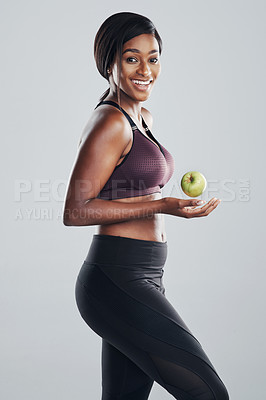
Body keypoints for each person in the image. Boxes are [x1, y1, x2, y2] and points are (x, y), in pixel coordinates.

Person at [63, 11, 229, 400]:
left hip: (143, 275)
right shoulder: (111, 122)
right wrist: (163, 205)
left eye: (153, 58)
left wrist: (168, 204)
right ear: (109, 63)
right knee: (207, 393)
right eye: (131, 57)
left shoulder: (141, 117)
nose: (145, 69)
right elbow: (76, 210)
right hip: (116, 280)